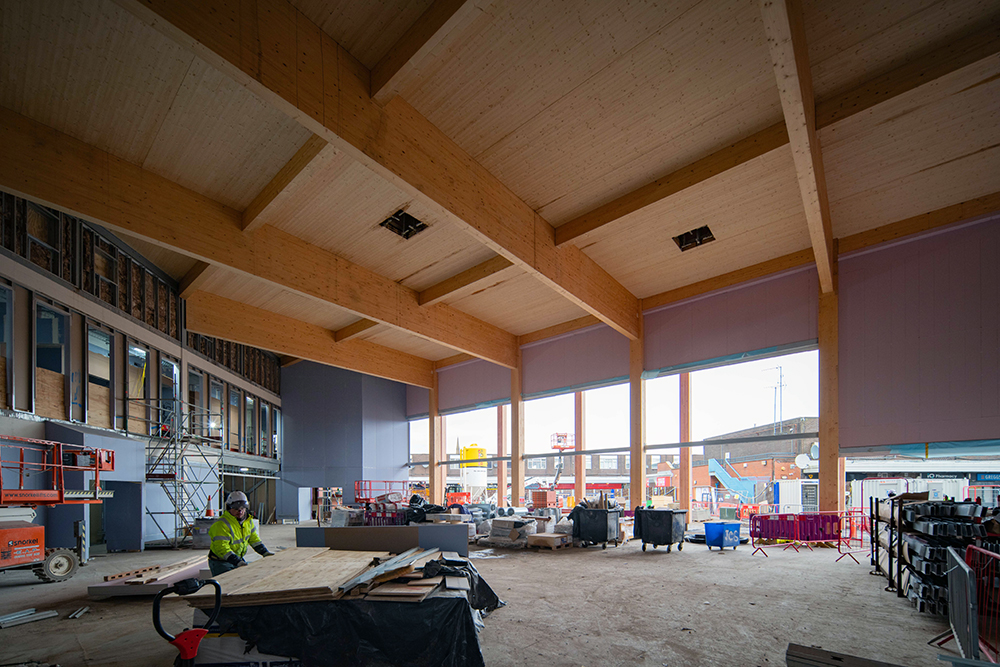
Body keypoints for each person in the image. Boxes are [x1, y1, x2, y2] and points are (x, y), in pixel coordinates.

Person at [208, 491, 273, 576]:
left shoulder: (248, 522)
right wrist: (237, 561)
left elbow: (254, 539)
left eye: (242, 508)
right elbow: (222, 548)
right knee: (226, 585)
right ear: (229, 507)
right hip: (221, 562)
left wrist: (265, 552)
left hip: (236, 558)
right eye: (236, 509)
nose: (240, 511)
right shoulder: (221, 525)